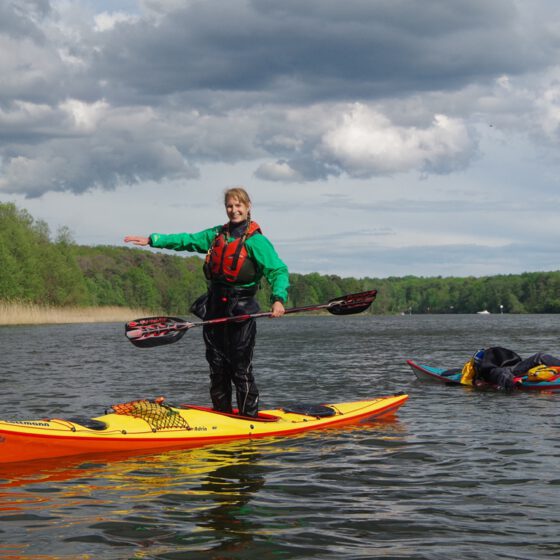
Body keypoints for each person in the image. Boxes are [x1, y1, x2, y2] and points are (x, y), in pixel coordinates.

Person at [124, 187, 289, 417]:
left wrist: (278, 299)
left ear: (248, 206)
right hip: (214, 310)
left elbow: (278, 270)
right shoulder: (215, 235)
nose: (234, 210)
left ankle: (248, 419)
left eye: (238, 205)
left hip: (241, 313)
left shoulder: (257, 242)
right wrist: (153, 240)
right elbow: (186, 241)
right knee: (217, 368)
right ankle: (222, 416)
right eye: (230, 206)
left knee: (240, 370)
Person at [471, 347, 560, 391]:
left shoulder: (486, 371)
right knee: (539, 357)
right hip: (512, 372)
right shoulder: (492, 372)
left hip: (515, 368)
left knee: (539, 356)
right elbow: (506, 378)